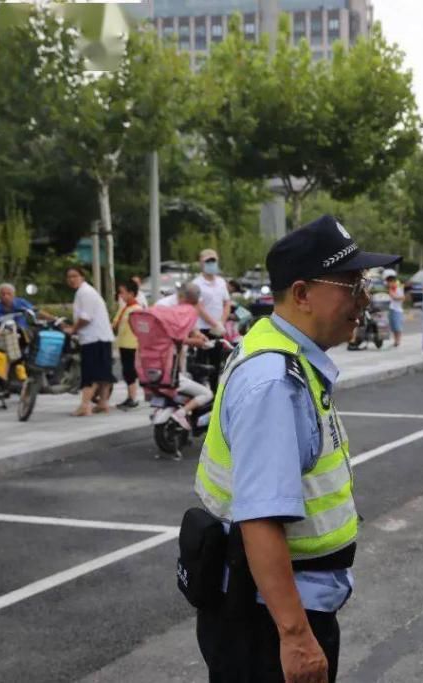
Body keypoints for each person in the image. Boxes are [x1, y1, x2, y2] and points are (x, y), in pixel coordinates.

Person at [192, 214, 399, 682]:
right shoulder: (274, 383)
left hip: (271, 607)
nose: (363, 299)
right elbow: (260, 517)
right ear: (302, 294)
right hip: (266, 618)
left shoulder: (285, 355)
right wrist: (295, 636)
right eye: (350, 285)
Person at [62, 266, 116, 417]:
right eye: (69, 277)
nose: (72, 279)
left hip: (93, 338)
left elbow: (85, 317)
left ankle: (85, 406)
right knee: (103, 373)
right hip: (102, 337)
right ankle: (103, 403)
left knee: (90, 373)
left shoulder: (84, 293)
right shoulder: (87, 291)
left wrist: (73, 329)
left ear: (82, 277)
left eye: (75, 276)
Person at [165, 283, 213, 433]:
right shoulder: (172, 308)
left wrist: (197, 334)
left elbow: (186, 329)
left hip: (159, 367)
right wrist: (196, 341)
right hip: (169, 366)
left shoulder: (166, 306)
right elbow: (176, 336)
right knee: (207, 393)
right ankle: (181, 414)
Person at [192, 248, 232, 390]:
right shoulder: (197, 283)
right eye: (207, 261)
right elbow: (199, 306)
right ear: (201, 263)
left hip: (218, 329)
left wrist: (221, 322)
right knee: (201, 364)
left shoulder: (221, 282)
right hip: (203, 329)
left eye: (213, 261)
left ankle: (215, 395)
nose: (211, 264)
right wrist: (214, 323)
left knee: (216, 364)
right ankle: (200, 394)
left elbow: (227, 303)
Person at [112, 280, 142, 410]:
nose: (120, 296)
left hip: (132, 345)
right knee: (126, 370)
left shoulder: (137, 309)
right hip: (123, 344)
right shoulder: (125, 308)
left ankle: (133, 397)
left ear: (131, 293)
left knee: (130, 371)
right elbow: (115, 324)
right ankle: (130, 396)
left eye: (122, 293)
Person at [384, 269, 405, 347]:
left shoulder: (398, 287)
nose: (389, 284)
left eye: (390, 282)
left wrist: (394, 295)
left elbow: (402, 297)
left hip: (397, 310)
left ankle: (398, 341)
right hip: (391, 309)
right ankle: (395, 340)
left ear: (393, 281)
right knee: (393, 326)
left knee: (397, 326)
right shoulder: (390, 288)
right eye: (388, 282)